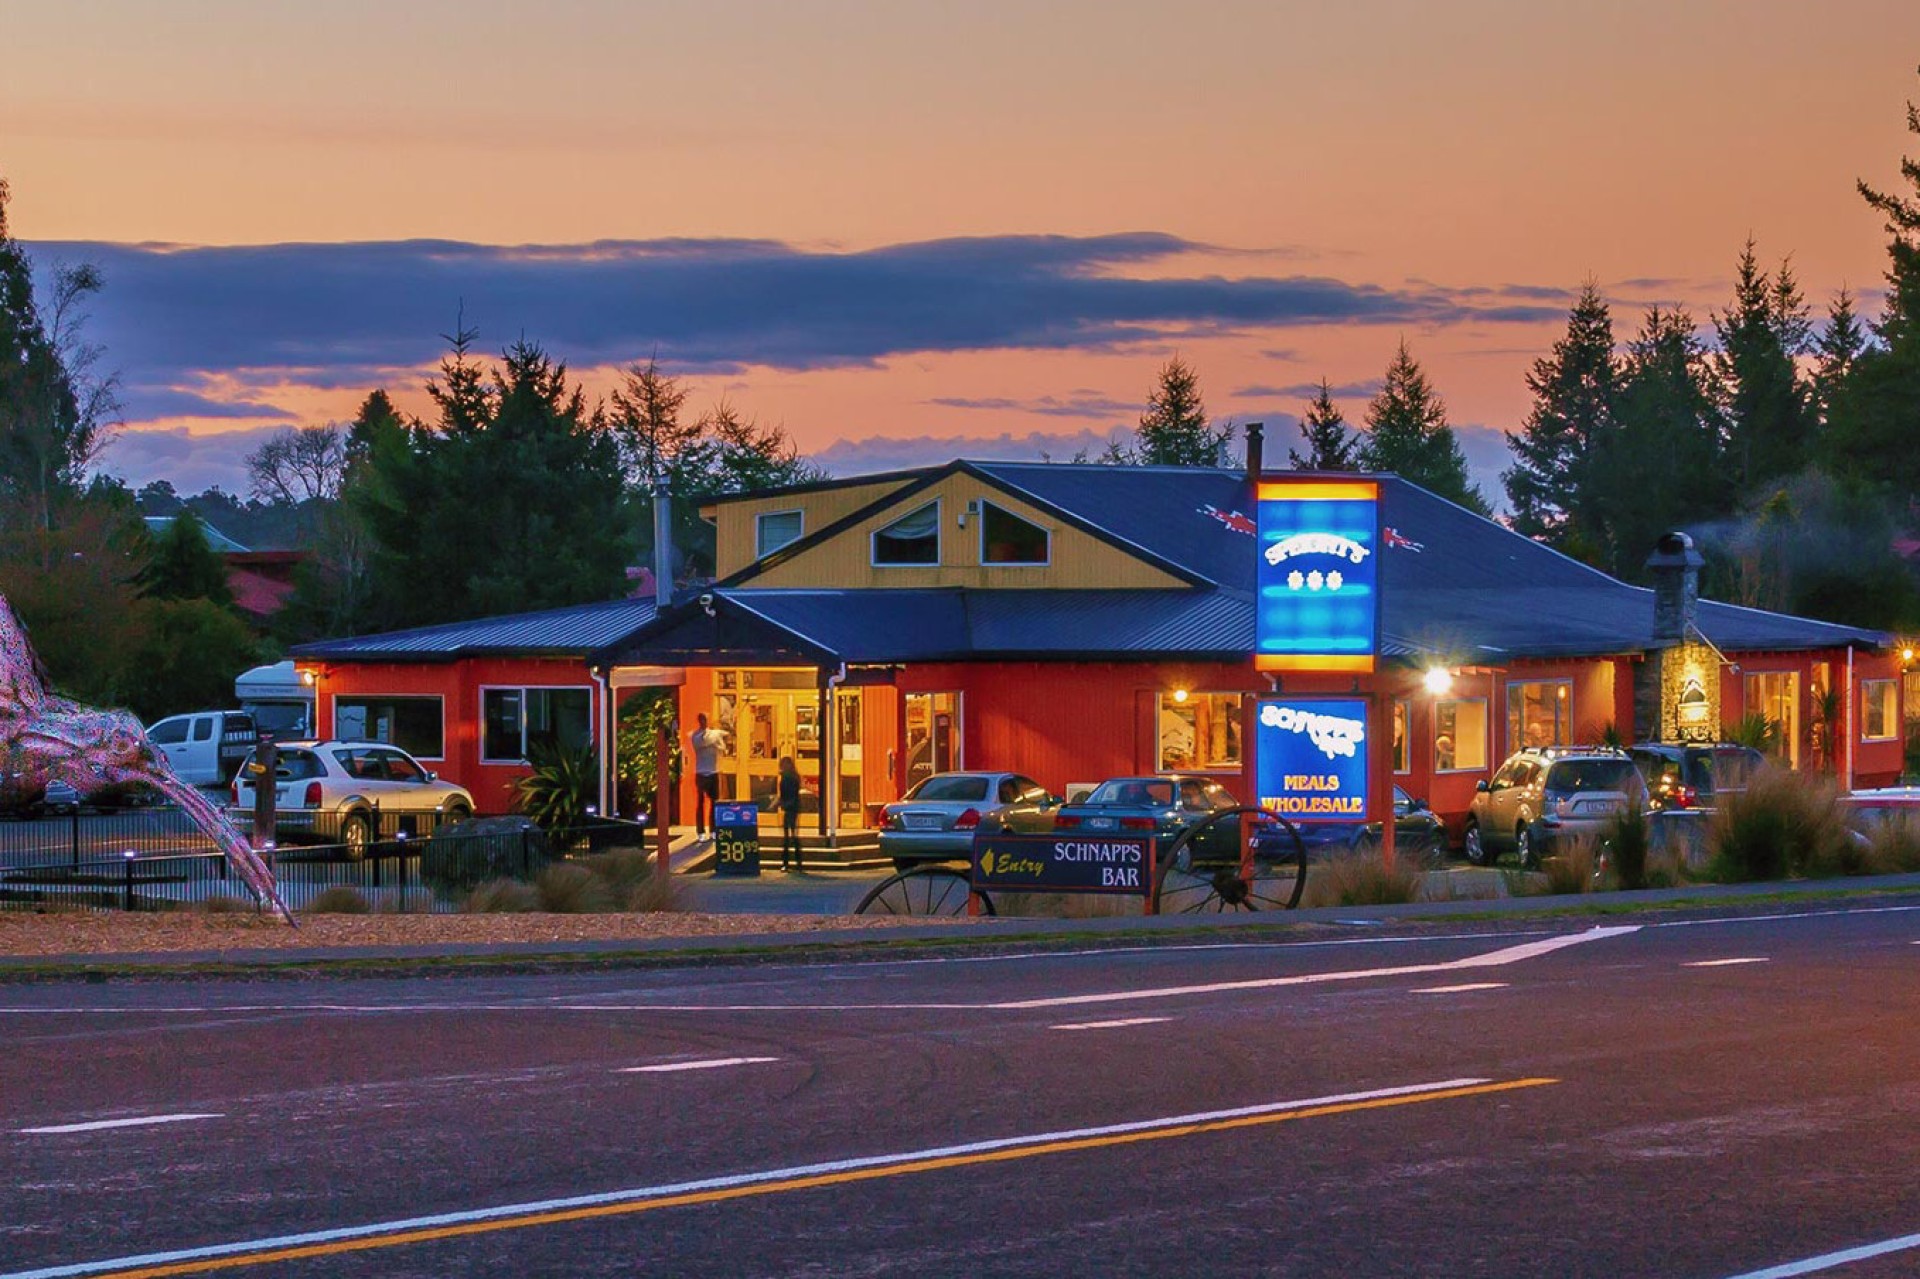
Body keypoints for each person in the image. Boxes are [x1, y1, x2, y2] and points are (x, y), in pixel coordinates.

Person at [688, 711, 725, 837]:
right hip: (701, 772)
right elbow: (700, 744)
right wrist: (714, 740)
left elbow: (722, 747)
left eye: (706, 719)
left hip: (713, 771)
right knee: (700, 803)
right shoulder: (695, 735)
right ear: (699, 721)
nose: (704, 722)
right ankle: (700, 831)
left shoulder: (714, 734)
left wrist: (717, 740)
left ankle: (713, 830)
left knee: (714, 802)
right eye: (702, 719)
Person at [777, 755, 803, 872]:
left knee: (788, 837)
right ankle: (798, 863)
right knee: (793, 836)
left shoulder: (787, 778)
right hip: (794, 807)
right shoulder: (794, 777)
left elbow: (785, 794)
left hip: (789, 808)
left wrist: (781, 804)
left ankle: (786, 863)